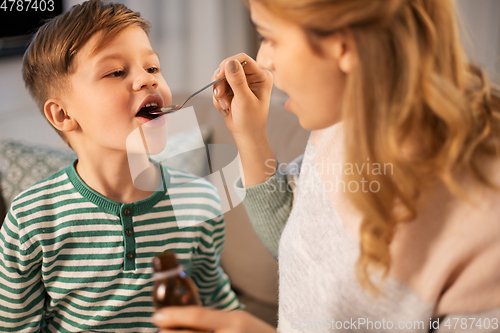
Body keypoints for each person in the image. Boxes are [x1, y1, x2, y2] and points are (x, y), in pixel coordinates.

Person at [153, 0, 500, 332]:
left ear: (343, 44)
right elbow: (299, 242)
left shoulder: (485, 217)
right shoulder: (340, 121)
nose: (263, 60)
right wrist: (250, 134)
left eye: (270, 37)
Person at [0, 0, 242, 331]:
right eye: (116, 72)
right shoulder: (31, 219)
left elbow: (217, 307)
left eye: (152, 67)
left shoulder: (198, 200)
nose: (147, 80)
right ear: (63, 115)